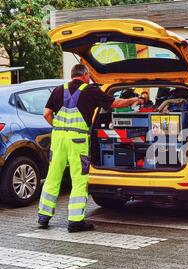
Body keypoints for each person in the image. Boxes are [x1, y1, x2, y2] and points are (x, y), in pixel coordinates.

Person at [38, 64, 143, 232]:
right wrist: (133, 100)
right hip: (77, 140)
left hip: (58, 139)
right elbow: (115, 103)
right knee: (79, 179)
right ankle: (75, 221)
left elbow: (46, 113)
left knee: (53, 176)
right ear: (85, 75)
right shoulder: (91, 91)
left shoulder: (58, 89)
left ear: (73, 75)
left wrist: (57, 126)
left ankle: (43, 216)